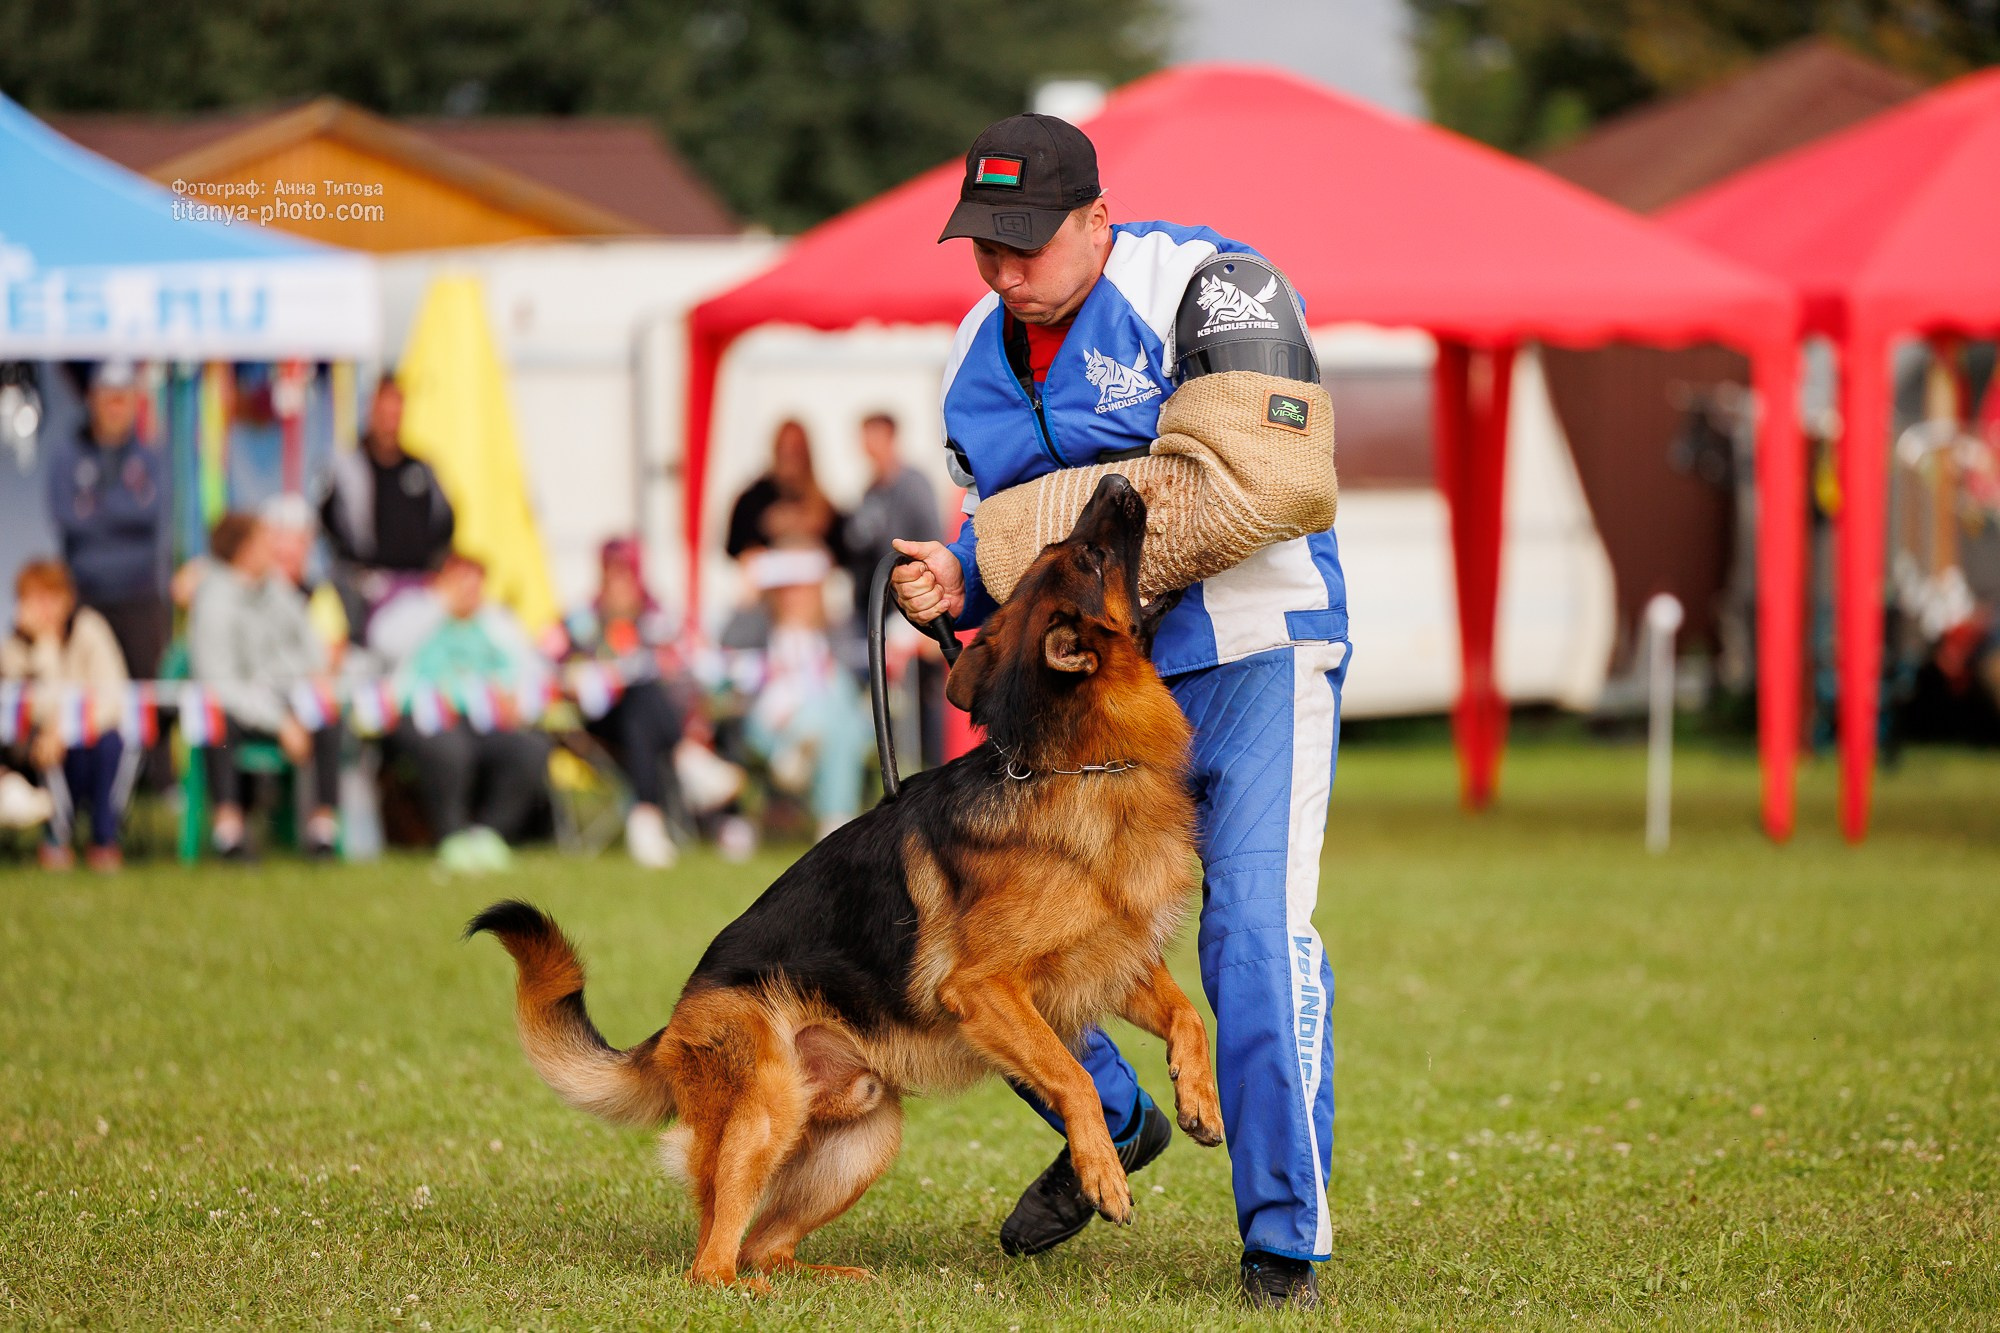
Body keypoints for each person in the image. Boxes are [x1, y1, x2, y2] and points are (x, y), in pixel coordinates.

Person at [891, 115, 1349, 1310]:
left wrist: (1012, 540)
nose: (1003, 270)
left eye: (1028, 243)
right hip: (1085, 706)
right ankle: (1119, 1113)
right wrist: (954, 569)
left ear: (1099, 216)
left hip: (1246, 658)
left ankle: (1284, 1244)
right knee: (987, 934)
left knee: (1247, 937)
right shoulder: (968, 352)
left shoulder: (1209, 286)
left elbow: (1274, 484)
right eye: (983, 245)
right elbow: (1009, 536)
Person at [188, 514, 343, 859]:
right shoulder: (212, 601)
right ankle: (229, 833)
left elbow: (307, 639)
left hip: (286, 696)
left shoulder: (275, 586)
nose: (272, 549)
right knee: (217, 722)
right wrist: (281, 723)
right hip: (237, 706)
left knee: (327, 712)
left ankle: (323, 832)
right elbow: (221, 684)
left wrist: (319, 676)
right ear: (242, 550)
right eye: (263, 541)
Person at [392, 553, 552, 872]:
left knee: (531, 748)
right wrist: (440, 606)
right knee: (450, 748)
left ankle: (490, 836)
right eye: (459, 580)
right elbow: (386, 644)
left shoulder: (496, 622)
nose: (469, 590)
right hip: (426, 715)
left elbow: (535, 670)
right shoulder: (414, 612)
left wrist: (519, 701)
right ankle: (451, 836)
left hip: (487, 717)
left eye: (475, 582)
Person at [553, 538, 692, 868]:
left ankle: (645, 815)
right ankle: (687, 759)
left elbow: (689, 666)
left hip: (647, 722)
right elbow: (552, 667)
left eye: (625, 574)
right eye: (612, 574)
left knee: (641, 698)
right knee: (638, 694)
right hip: (600, 721)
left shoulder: (658, 618)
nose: (619, 583)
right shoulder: (580, 619)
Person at [1, 560, 131, 870]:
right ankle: (57, 835)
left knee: (108, 744)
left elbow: (114, 696)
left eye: (51, 597)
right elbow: (27, 709)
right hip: (39, 747)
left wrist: (67, 729)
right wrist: (44, 647)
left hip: (92, 737)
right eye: (34, 599)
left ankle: (104, 838)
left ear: (68, 598)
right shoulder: (16, 647)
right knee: (47, 749)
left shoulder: (90, 629)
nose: (44, 608)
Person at [47, 361, 169, 679]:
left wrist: (96, 504)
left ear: (133, 403)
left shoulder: (148, 456)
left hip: (139, 598)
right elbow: (69, 519)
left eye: (123, 399)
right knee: (85, 696)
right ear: (93, 401)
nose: (116, 408)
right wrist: (123, 507)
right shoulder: (68, 456)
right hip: (86, 596)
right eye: (108, 399)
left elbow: (150, 514)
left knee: (145, 696)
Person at [742, 547, 871, 842]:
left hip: (832, 722)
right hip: (768, 725)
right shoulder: (753, 629)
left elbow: (858, 680)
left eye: (801, 590)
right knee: (841, 717)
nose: (794, 598)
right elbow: (729, 677)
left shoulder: (839, 632)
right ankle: (836, 821)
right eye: (786, 591)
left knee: (836, 691)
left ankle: (799, 748)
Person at [840, 412, 946, 766]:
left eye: (875, 436)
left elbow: (932, 542)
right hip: (874, 609)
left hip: (909, 608)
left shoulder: (912, 486)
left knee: (921, 701)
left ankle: (930, 768)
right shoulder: (871, 491)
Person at [319, 374, 456, 632]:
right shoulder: (348, 466)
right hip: (363, 588)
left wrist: (435, 571)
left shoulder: (420, 469)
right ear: (371, 410)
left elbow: (445, 523)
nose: (390, 420)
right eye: (384, 410)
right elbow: (328, 523)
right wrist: (354, 572)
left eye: (397, 411)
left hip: (415, 586)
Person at [724, 420, 846, 560]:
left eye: (796, 449)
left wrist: (817, 525)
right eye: (785, 448)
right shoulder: (753, 500)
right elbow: (735, 548)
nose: (790, 455)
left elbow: (842, 551)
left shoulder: (823, 505)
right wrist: (766, 525)